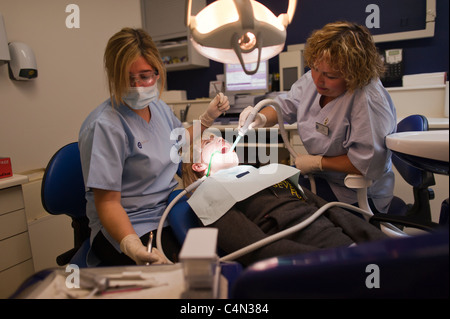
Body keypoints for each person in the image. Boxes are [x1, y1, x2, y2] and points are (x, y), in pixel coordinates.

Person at [78, 28, 229, 266]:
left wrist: (207, 119)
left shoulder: (157, 108)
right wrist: (133, 247)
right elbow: (107, 203)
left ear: (158, 72)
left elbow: (177, 139)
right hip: (130, 224)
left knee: (219, 248)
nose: (138, 86)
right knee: (187, 272)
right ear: (113, 77)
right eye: (128, 79)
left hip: (169, 208)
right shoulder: (105, 126)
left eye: (145, 76)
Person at [239, 21, 397, 214]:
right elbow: (286, 105)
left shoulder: (368, 100)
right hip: (322, 179)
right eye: (314, 68)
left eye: (330, 76)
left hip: (356, 193)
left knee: (280, 210)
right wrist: (260, 118)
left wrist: (317, 163)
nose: (318, 80)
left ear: (354, 73)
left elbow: (368, 162)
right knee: (265, 197)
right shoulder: (314, 78)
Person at [181, 134, 387, 266]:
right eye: (209, 142)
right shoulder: (209, 195)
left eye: (220, 137)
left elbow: (331, 210)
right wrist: (331, 261)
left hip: (351, 247)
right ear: (198, 166)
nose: (221, 140)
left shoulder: (267, 172)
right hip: (317, 262)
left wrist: (381, 243)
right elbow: (256, 250)